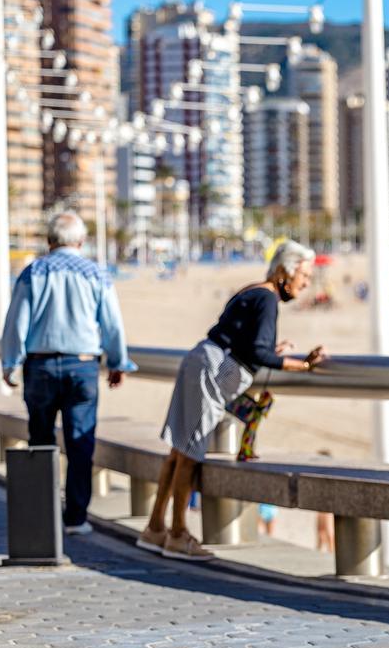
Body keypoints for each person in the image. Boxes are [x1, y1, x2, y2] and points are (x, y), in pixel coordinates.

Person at [136, 240, 327, 561]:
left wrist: (270, 350)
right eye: (304, 275)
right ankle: (179, 535)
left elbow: (248, 343)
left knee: (178, 450)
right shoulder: (267, 299)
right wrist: (303, 364)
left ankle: (155, 528)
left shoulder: (251, 291)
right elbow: (257, 353)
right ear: (284, 272)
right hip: (212, 371)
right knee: (190, 454)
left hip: (201, 359)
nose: (307, 283)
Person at [0, 211, 136, 535]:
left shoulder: (34, 271)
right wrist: (118, 363)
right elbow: (112, 323)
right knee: (80, 442)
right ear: (81, 241)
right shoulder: (95, 273)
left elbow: (16, 322)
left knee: (40, 443)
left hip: (40, 366)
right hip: (83, 364)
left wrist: (10, 364)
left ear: (49, 241)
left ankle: (41, 516)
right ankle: (76, 518)